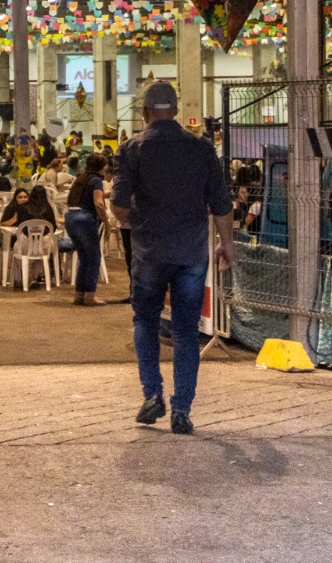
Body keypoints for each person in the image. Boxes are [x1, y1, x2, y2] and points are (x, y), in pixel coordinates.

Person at [111, 81, 233, 436]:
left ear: (144, 112)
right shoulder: (202, 148)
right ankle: (182, 409)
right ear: (177, 111)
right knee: (185, 331)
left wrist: (135, 219)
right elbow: (221, 203)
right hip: (190, 252)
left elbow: (118, 205)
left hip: (149, 251)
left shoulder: (131, 150)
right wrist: (227, 243)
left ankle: (152, 394)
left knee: (145, 320)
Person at [62, 153, 109, 306]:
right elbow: (98, 203)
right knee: (94, 258)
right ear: (102, 167)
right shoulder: (97, 180)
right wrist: (106, 222)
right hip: (85, 219)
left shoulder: (80, 178)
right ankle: (90, 296)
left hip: (71, 217)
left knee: (83, 258)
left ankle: (79, 295)